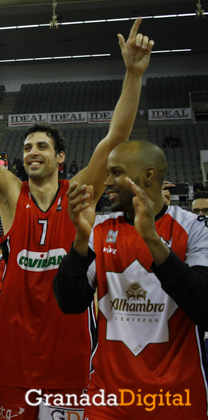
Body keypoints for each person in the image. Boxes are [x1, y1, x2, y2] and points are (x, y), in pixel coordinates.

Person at [0, 18, 153, 417]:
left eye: (42, 146)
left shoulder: (81, 192)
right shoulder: (10, 195)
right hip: (14, 350)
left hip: (70, 346)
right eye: (28, 146)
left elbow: (115, 139)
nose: (32, 151)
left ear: (60, 157)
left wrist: (133, 74)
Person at [53, 140, 208, 418]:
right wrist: (80, 239)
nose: (107, 181)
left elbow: (204, 306)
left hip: (177, 398)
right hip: (109, 398)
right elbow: (69, 302)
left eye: (115, 172)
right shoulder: (100, 229)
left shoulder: (193, 229)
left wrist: (151, 238)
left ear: (148, 175)